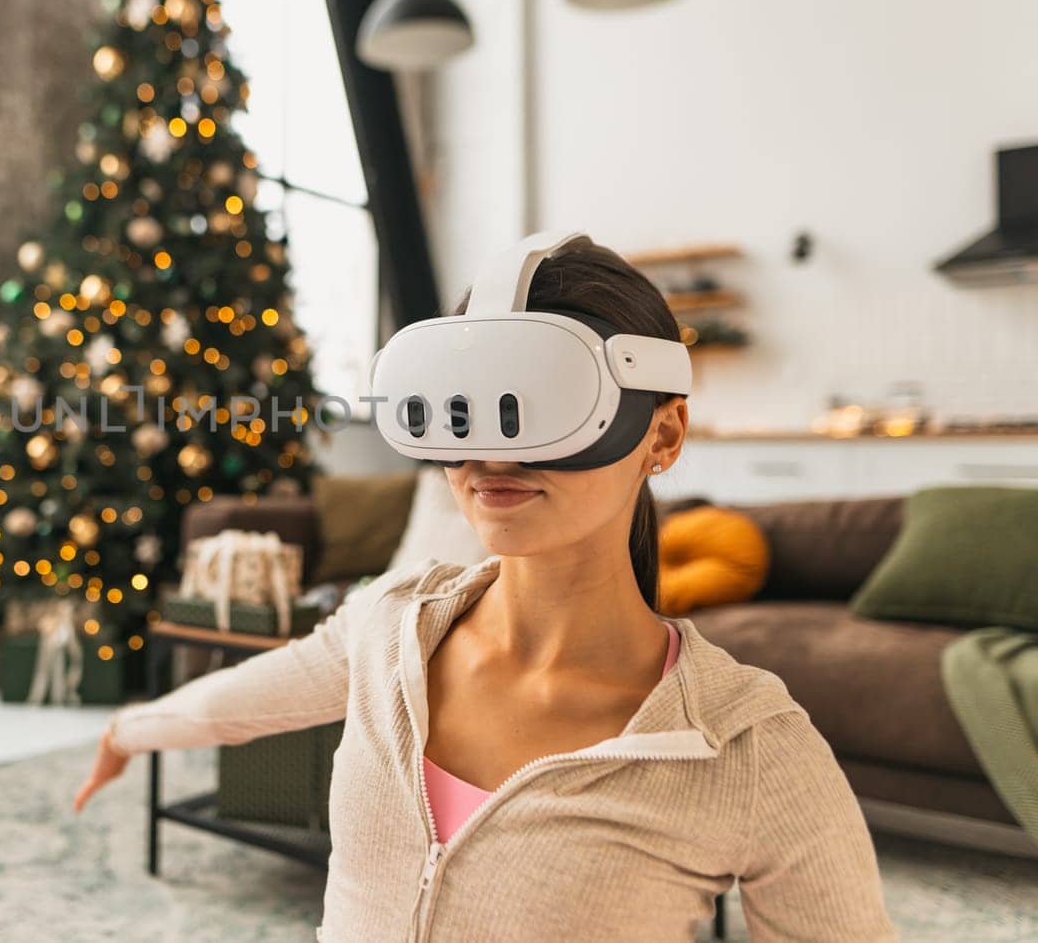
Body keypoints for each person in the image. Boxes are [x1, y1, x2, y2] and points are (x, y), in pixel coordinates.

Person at [73, 239, 897, 942]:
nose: (493, 454)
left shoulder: (744, 747)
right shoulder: (390, 625)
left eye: (547, 405)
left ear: (663, 434)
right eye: (468, 408)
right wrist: (130, 728)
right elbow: (252, 697)